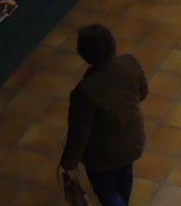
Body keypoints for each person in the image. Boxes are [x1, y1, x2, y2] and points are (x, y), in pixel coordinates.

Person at [61, 24, 148, 206]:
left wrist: (69, 163)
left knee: (107, 191)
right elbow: (143, 93)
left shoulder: (85, 91)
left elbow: (79, 133)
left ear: (84, 55)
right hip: (132, 141)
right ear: (112, 44)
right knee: (125, 177)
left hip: (102, 156)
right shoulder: (129, 63)